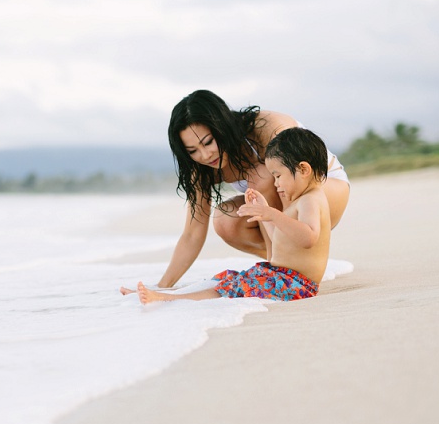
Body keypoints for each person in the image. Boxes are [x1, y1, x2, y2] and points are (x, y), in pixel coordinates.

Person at [144, 89, 349, 291]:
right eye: (193, 151)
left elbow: (299, 178)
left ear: (222, 126)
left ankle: (278, 270)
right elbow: (192, 234)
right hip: (284, 212)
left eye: (208, 142)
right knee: (225, 221)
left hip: (322, 191)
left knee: (262, 177)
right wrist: (162, 286)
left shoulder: (266, 127)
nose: (205, 155)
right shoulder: (201, 169)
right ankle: (290, 265)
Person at [121, 127, 333, 305]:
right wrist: (265, 213)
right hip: (280, 276)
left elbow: (308, 238)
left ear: (303, 169)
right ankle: (172, 295)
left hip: (298, 285)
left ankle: (168, 299)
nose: (276, 183)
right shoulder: (299, 200)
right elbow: (281, 238)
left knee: (234, 288)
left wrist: (273, 214)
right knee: (228, 278)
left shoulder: (311, 200)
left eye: (278, 176)